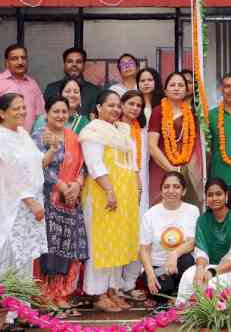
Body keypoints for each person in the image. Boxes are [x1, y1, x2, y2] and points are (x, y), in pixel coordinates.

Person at [0, 93, 48, 278]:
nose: (22, 112)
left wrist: (52, 149)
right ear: (2, 113)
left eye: (23, 107)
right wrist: (31, 202)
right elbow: (11, 175)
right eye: (16, 108)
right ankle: (7, 302)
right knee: (8, 253)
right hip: (9, 206)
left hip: (27, 206)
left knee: (24, 256)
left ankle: (22, 304)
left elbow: (38, 163)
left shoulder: (23, 134)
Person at [79, 89, 140, 313]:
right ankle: (97, 293)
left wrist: (136, 189)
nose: (115, 109)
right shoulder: (92, 131)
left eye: (117, 105)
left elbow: (132, 165)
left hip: (125, 196)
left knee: (119, 242)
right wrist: (110, 192)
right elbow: (95, 165)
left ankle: (113, 289)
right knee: (100, 244)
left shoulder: (124, 131)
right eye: (110, 105)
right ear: (99, 108)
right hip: (102, 196)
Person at [31, 96, 89, 312]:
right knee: (48, 249)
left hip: (71, 202)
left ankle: (61, 293)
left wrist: (76, 184)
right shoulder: (39, 137)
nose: (60, 115)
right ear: (46, 113)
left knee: (67, 248)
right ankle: (44, 294)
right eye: (56, 111)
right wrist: (62, 186)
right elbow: (36, 167)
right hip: (48, 201)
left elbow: (82, 166)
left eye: (64, 112)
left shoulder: (73, 137)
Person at [177, 178, 231, 302]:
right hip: (210, 266)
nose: (214, 198)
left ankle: (211, 318)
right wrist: (200, 269)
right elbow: (201, 250)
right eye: (210, 195)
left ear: (226, 196)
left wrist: (212, 271)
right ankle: (184, 315)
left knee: (211, 284)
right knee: (188, 276)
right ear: (206, 199)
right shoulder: (203, 220)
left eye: (218, 194)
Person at [139, 171, 199, 302]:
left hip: (180, 264)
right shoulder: (150, 214)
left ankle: (178, 295)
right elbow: (144, 249)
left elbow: (192, 242)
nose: (171, 190)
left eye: (176, 187)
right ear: (161, 190)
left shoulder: (192, 210)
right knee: (162, 289)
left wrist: (174, 254)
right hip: (158, 268)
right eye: (166, 187)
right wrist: (150, 274)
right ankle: (171, 296)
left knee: (187, 260)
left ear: (183, 191)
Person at [147, 71, 203, 206]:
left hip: (187, 169)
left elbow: (197, 144)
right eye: (172, 85)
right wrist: (171, 169)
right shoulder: (158, 111)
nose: (176, 88)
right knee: (161, 207)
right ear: (165, 91)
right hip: (161, 166)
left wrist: (185, 170)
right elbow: (152, 146)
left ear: (186, 90)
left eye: (180, 85)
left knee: (187, 208)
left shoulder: (193, 113)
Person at [118, 90, 149, 300]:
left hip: (140, 186)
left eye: (138, 105)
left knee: (139, 234)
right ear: (121, 104)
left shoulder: (142, 130)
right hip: (119, 186)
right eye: (131, 103)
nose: (135, 108)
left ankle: (128, 283)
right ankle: (115, 285)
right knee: (119, 234)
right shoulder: (114, 129)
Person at [0, 44, 45, 132]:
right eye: (15, 58)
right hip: (5, 140)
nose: (20, 62)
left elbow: (40, 116)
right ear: (7, 62)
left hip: (29, 140)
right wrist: (11, 136)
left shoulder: (33, 84)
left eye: (23, 58)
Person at [44, 47, 102, 119]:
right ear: (64, 65)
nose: (74, 64)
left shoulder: (95, 91)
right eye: (70, 61)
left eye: (78, 61)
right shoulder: (51, 89)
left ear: (84, 65)